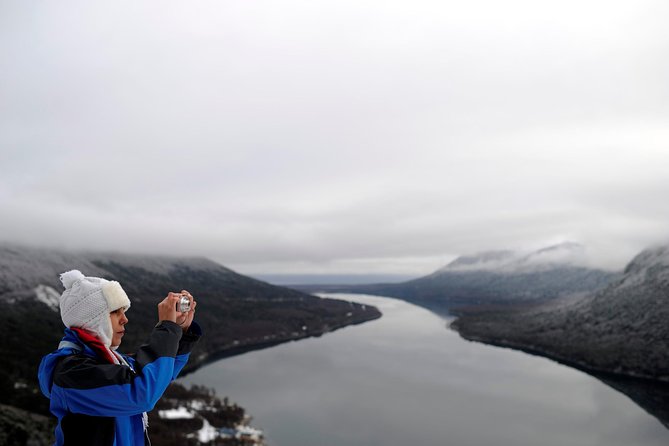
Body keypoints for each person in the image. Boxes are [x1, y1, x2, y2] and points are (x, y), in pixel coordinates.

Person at [38, 269, 202, 446]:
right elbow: (142, 392)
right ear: (93, 319)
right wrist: (167, 329)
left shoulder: (111, 363)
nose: (125, 319)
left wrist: (181, 332)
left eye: (124, 311)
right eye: (116, 312)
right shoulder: (72, 373)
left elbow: (160, 374)